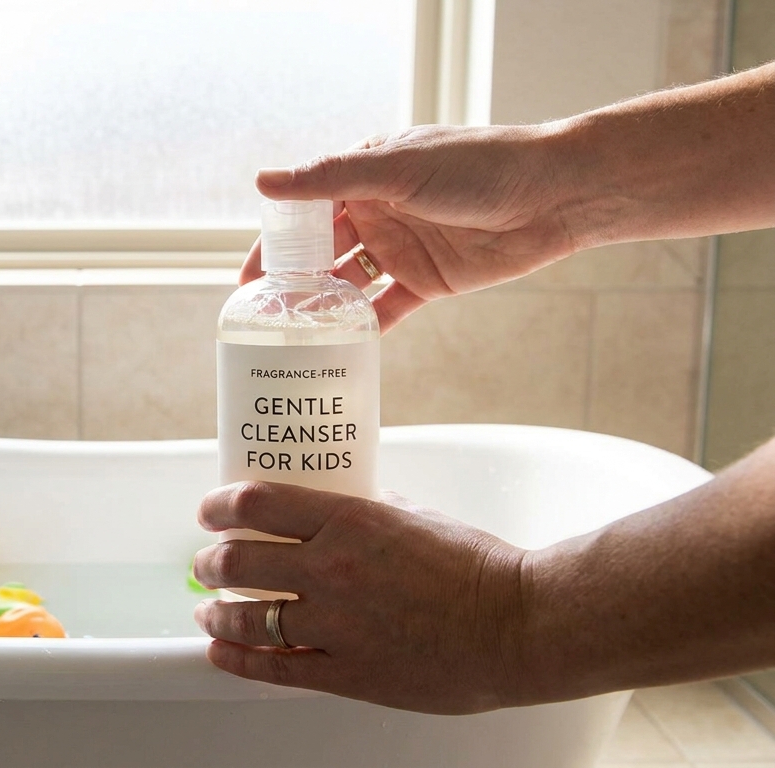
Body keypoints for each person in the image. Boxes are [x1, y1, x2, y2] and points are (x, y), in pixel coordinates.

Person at [192, 60, 775, 715]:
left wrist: (506, 614)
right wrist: (559, 180)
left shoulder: (338, 309)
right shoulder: (259, 310)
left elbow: (500, 618)